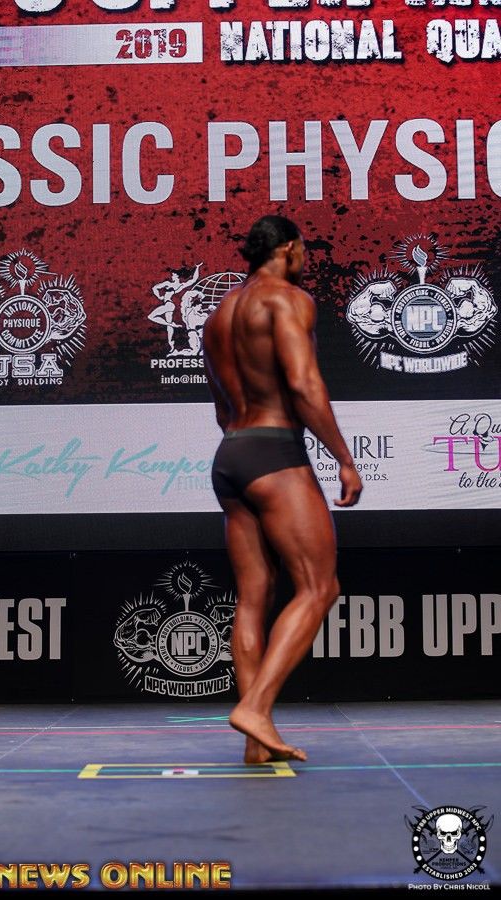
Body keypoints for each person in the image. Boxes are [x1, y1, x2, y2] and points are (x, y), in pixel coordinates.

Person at [203, 215, 362, 764]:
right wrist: (344, 459)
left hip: (231, 456)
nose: (305, 260)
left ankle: (256, 742)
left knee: (254, 597)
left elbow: (221, 407)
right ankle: (256, 708)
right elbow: (303, 383)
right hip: (274, 453)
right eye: (304, 251)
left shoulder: (218, 315)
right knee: (319, 587)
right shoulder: (287, 299)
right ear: (290, 248)